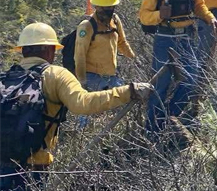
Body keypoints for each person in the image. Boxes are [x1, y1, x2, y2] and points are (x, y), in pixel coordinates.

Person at [0, 23, 151, 191]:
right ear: (50, 50)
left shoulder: (5, 78)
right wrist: (128, 92)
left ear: (22, 50)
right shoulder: (55, 75)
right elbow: (83, 104)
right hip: (33, 169)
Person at [139, 0, 217, 134]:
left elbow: (199, 5)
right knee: (160, 86)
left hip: (186, 38)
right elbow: (144, 16)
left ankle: (169, 117)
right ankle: (152, 130)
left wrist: (210, 18)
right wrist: (160, 15)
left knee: (192, 79)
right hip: (165, 39)